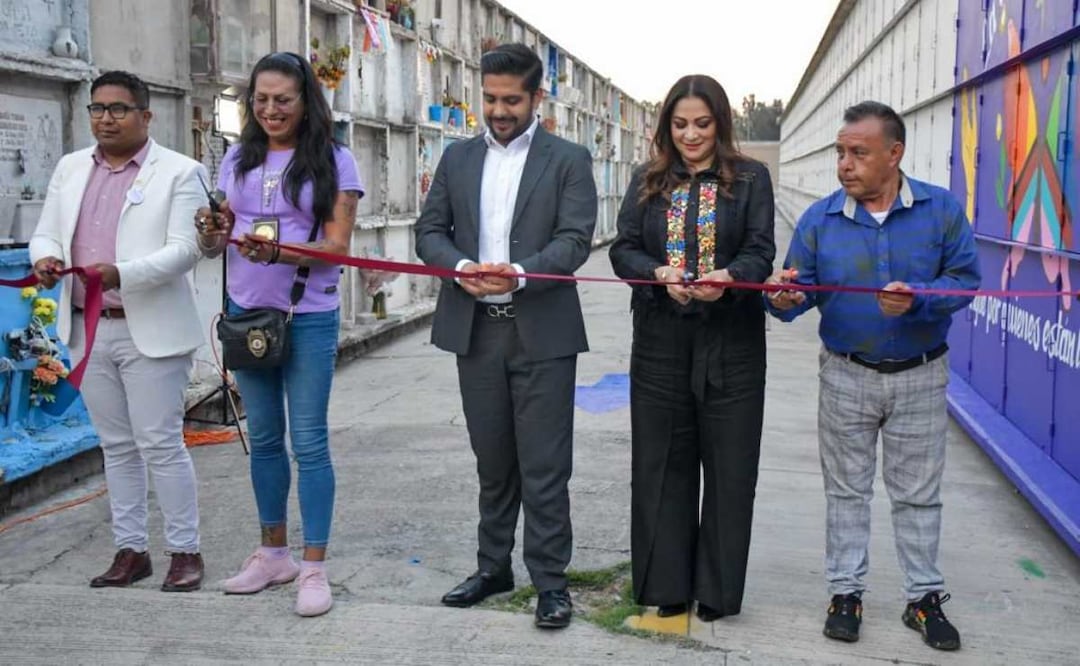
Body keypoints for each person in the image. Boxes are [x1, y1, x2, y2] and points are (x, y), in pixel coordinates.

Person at [765, 101, 979, 651]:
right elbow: (796, 292)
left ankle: (923, 599)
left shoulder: (941, 211)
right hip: (845, 375)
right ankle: (845, 594)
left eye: (858, 153)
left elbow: (965, 280)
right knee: (846, 492)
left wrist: (921, 300)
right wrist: (785, 297)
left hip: (919, 375)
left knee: (917, 495)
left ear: (894, 154)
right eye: (840, 152)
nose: (844, 164)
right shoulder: (820, 220)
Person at [414, 43, 598, 629]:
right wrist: (461, 267)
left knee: (544, 466)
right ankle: (493, 568)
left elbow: (574, 239)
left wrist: (518, 274)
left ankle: (550, 581)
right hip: (477, 334)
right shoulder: (458, 159)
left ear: (536, 99)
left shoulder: (568, 159)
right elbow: (429, 232)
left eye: (511, 100)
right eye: (490, 98)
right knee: (493, 463)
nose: (498, 110)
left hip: (541, 331)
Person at [193, 52, 363, 617]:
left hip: (306, 314)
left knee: (308, 441)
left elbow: (337, 247)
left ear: (305, 101)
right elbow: (218, 243)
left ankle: (313, 565)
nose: (270, 109)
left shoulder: (336, 161)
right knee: (263, 439)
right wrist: (212, 230)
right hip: (246, 315)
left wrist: (281, 251)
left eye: (282, 99)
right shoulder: (237, 159)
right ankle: (273, 554)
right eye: (260, 99)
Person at [30, 71, 207, 592]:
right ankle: (131, 551)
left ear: (145, 116)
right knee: (115, 445)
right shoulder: (69, 168)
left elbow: (185, 249)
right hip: (88, 327)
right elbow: (47, 228)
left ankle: (185, 551)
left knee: (160, 442)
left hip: (148, 328)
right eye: (98, 108)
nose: (106, 118)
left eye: (119, 109)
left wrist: (119, 274)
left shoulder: (180, 172)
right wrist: (47, 256)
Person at [608, 74, 776, 622]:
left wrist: (728, 276)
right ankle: (667, 585)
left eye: (702, 124)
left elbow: (760, 251)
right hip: (660, 341)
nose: (691, 135)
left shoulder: (751, 179)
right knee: (662, 464)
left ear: (721, 123)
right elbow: (623, 251)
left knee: (730, 469)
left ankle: (717, 592)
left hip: (732, 342)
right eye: (680, 124)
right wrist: (657, 272)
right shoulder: (647, 179)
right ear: (666, 126)